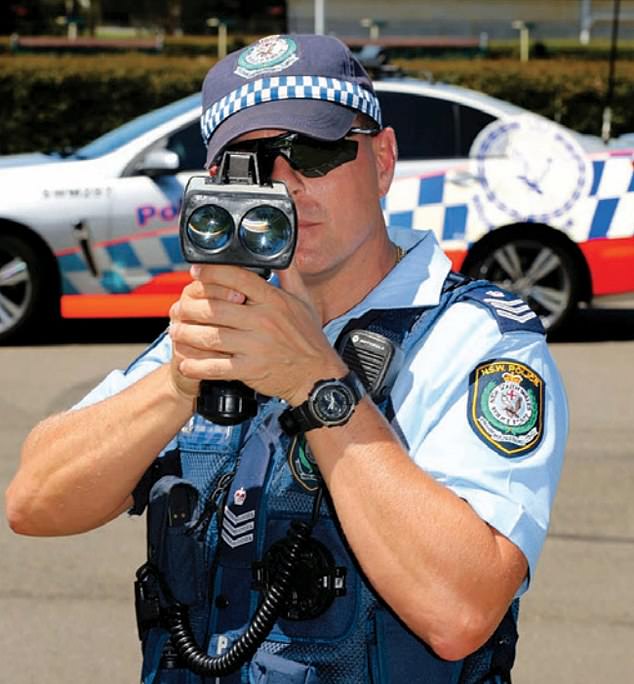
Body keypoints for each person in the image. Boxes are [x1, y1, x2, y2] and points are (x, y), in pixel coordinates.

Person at [6, 34, 568, 683]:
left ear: (382, 159)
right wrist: (178, 383)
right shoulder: (217, 321)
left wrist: (317, 381)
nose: (286, 182)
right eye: (251, 161)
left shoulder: (475, 338)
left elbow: (460, 610)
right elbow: (35, 503)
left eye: (316, 150)